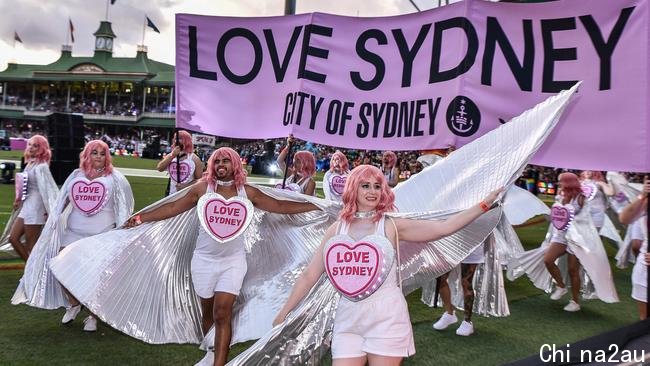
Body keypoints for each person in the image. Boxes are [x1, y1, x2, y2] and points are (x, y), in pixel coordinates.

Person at [273, 165, 501, 365]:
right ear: (353, 188)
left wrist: (484, 204)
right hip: (347, 320)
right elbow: (310, 275)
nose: (372, 191)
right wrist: (284, 312)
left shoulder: (391, 226)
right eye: (365, 186)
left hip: (387, 319)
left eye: (377, 186)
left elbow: (444, 228)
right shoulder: (337, 230)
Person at [124, 147, 319, 366]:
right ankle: (210, 349)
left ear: (235, 164)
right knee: (207, 311)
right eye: (217, 162)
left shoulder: (248, 192)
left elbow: (280, 206)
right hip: (203, 260)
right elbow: (172, 207)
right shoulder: (202, 189)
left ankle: (219, 363)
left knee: (222, 312)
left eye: (226, 161)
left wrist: (315, 204)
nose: (220, 165)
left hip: (233, 262)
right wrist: (142, 218)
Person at [13, 140, 134, 333]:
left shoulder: (115, 178)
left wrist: (122, 231)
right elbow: (62, 200)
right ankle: (74, 303)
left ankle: (93, 316)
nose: (98, 157)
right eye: (94, 153)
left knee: (96, 277)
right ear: (87, 155)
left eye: (102, 154)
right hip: (73, 232)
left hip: (101, 235)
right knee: (60, 268)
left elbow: (123, 205)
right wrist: (53, 220)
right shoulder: (76, 176)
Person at [8, 135, 58, 260]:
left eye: (35, 146)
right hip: (27, 205)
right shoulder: (30, 163)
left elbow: (50, 190)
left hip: (36, 207)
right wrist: (18, 199)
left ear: (42, 149)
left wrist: (49, 211)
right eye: (30, 144)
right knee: (13, 238)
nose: (31, 147)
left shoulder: (41, 167)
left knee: (32, 246)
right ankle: (30, 271)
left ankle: (36, 274)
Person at [432, 243, 484, 336]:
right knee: (440, 278)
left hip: (473, 244)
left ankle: (467, 322)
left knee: (466, 282)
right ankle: (449, 314)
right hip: (452, 243)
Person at [619, 176, 649, 319]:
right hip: (644, 269)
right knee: (645, 321)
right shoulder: (645, 201)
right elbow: (624, 219)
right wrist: (643, 196)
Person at [157, 130, 203, 195]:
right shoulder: (171, 155)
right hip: (170, 194)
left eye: (180, 138)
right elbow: (159, 168)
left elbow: (199, 180)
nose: (177, 141)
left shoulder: (194, 159)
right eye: (176, 138)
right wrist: (172, 155)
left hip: (187, 196)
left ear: (187, 141)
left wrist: (185, 186)